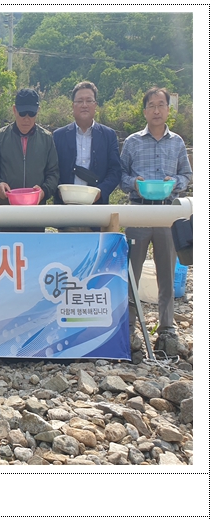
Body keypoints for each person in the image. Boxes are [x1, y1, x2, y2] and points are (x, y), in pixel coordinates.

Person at [120, 86, 192, 352]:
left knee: (166, 272)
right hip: (138, 210)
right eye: (152, 105)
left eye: (161, 105)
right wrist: (134, 183)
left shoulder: (177, 142)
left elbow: (187, 175)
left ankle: (167, 329)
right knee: (131, 272)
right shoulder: (132, 142)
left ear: (168, 110)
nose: (157, 110)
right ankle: (128, 327)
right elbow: (121, 176)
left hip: (167, 212)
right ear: (144, 111)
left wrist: (175, 182)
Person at [0, 88, 59, 232]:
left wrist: (43, 191)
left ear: (38, 111)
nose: (26, 118)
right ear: (14, 110)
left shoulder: (47, 139)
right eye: (22, 113)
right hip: (7, 213)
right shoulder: (1, 137)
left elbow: (53, 173)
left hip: (36, 214)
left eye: (31, 113)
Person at [53, 81, 121, 206]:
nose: (84, 105)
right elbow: (52, 170)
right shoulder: (58, 136)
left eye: (89, 101)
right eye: (80, 101)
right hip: (65, 209)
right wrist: (60, 191)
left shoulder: (109, 135)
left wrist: (100, 192)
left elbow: (115, 171)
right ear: (73, 105)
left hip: (97, 208)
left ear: (95, 105)